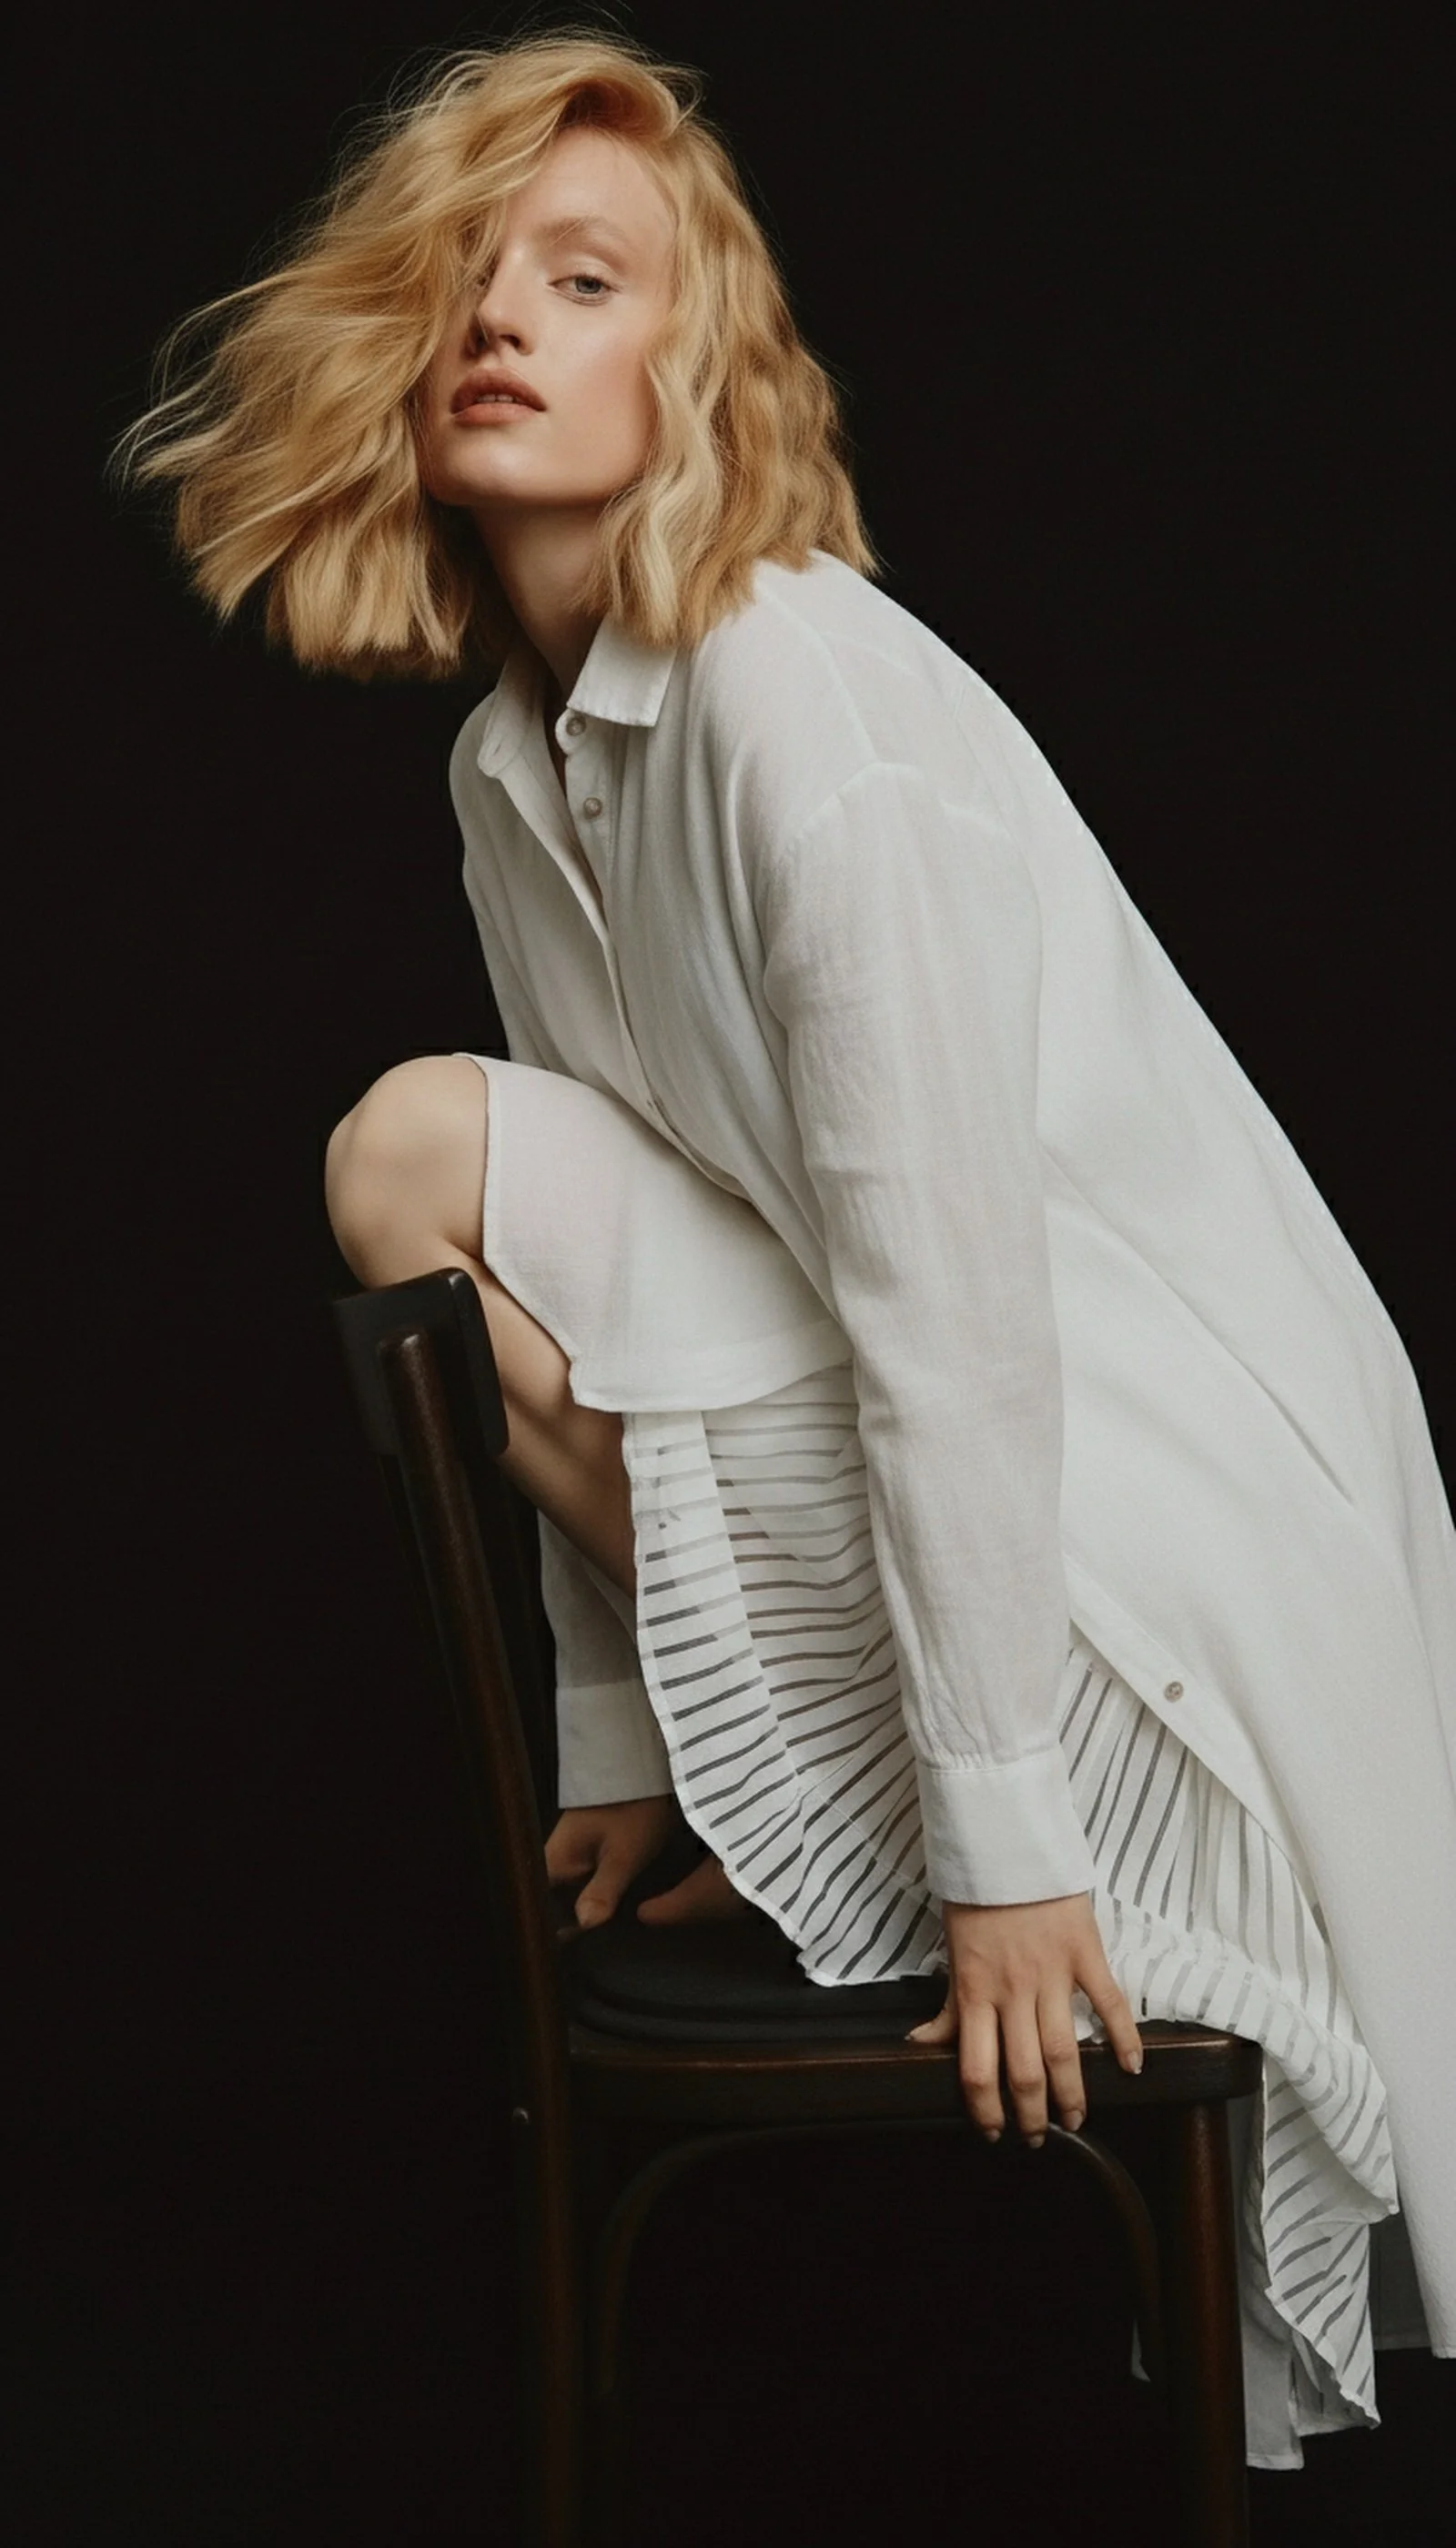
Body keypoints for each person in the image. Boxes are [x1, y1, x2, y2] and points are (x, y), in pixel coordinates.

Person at [121, 28, 1453, 2470]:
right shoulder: (515, 766)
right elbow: (632, 1281)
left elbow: (950, 1298)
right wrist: (631, 1744)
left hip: (1148, 1506)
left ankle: (926, 1771)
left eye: (588, 277)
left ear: (694, 358)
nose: (506, 322)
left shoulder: (787, 706)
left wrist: (1005, 1838)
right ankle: (793, 1765)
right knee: (421, 1162)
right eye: (466, 280)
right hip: (919, 1447)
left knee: (414, 1144)